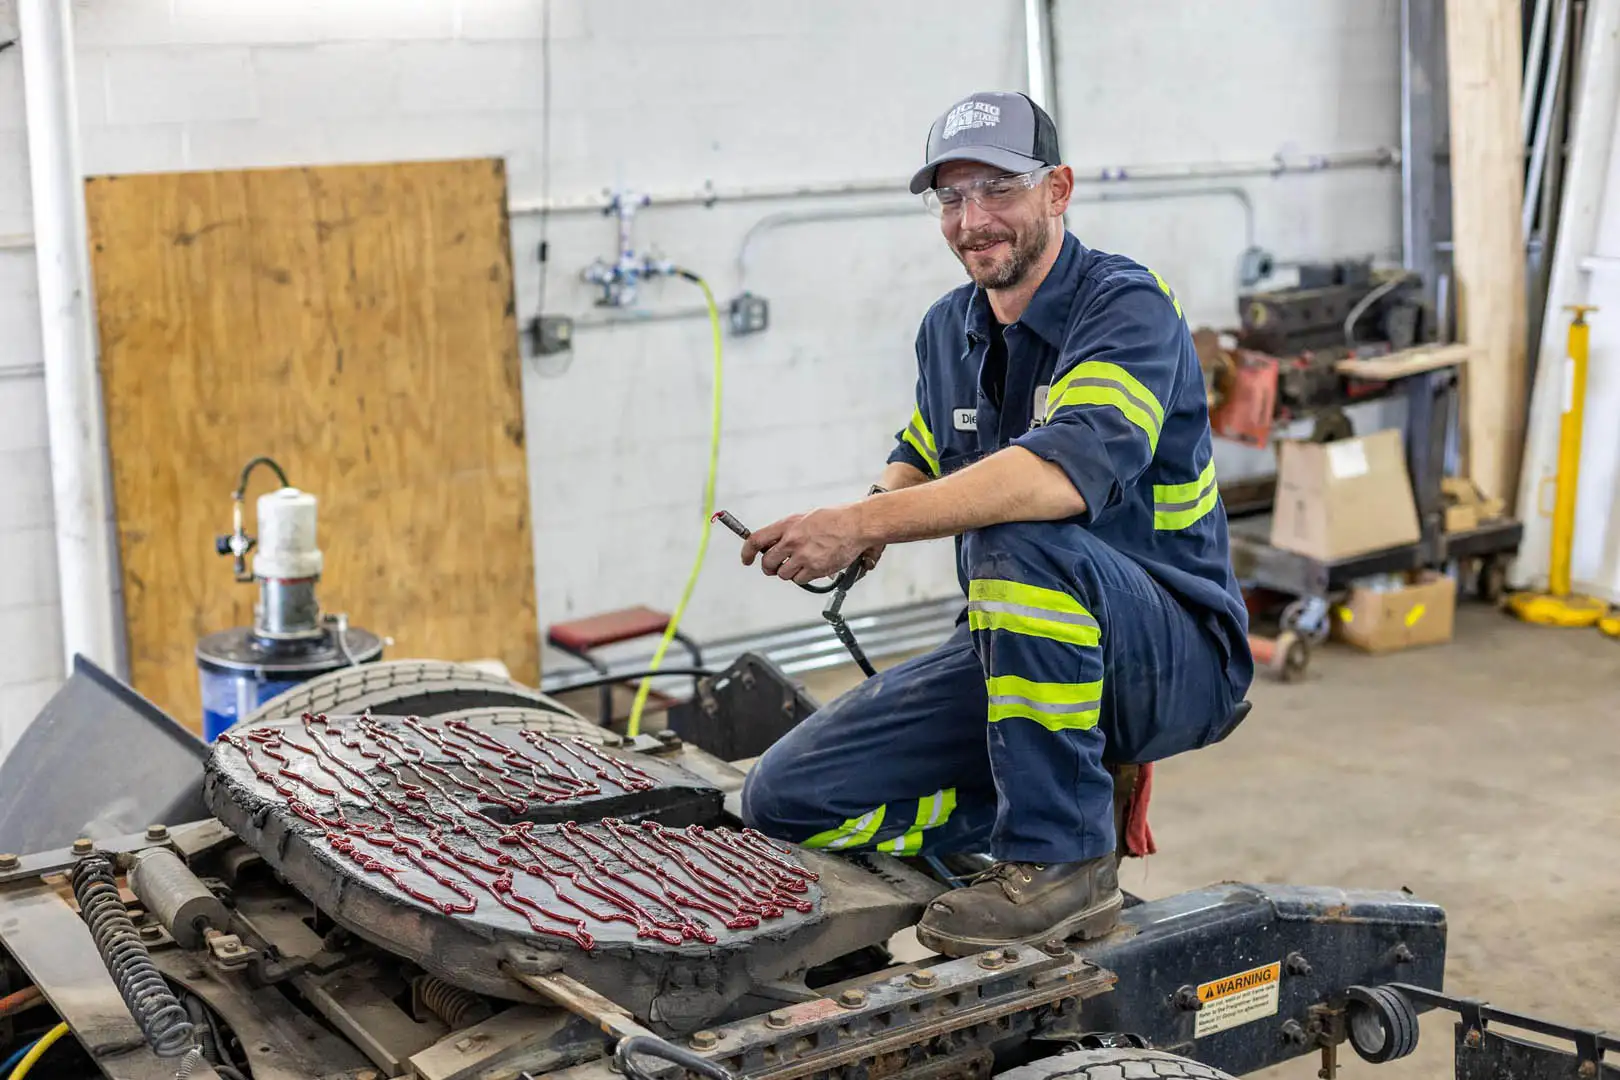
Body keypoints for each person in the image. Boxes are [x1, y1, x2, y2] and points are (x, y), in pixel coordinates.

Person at [736, 90, 1253, 956]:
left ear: (1059, 190)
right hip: (1015, 646)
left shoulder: (1126, 306)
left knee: (1017, 528)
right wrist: (854, 527)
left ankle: (1063, 863)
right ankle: (1047, 804)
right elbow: (927, 444)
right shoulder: (949, 328)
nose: (973, 220)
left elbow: (1056, 477)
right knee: (784, 799)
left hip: (1172, 655)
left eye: (998, 190)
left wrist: (862, 519)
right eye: (950, 197)